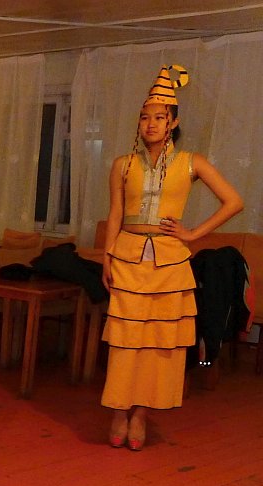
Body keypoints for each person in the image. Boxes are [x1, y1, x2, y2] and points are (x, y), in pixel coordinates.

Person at [101, 64, 242, 450]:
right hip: (127, 259)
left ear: (173, 122)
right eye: (145, 117)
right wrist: (107, 258)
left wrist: (193, 234)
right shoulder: (123, 164)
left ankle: (141, 414)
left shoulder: (191, 162)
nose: (151, 124)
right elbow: (115, 214)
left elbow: (233, 201)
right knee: (125, 340)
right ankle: (118, 409)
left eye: (160, 118)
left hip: (170, 265)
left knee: (159, 343)